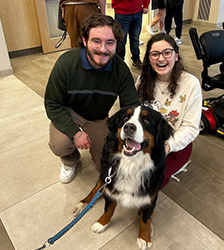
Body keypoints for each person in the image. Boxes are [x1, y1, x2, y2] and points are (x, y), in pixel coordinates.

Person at [44, 14, 140, 183]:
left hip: (98, 118)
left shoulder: (121, 70)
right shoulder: (66, 63)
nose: (103, 49)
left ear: (117, 44)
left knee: (108, 165)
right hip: (70, 112)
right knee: (60, 144)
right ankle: (70, 162)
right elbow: (52, 104)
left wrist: (131, 135)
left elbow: (131, 106)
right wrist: (75, 133)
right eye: (96, 41)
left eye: (110, 42)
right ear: (85, 40)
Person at [136, 33, 202, 187]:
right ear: (148, 58)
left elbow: (191, 127)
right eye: (155, 54)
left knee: (149, 182)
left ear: (176, 55)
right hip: (146, 141)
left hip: (174, 147)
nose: (161, 58)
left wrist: (167, 147)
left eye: (167, 52)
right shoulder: (142, 81)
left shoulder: (190, 84)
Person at [112, 0, 150, 70]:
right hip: (121, 13)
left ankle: (136, 59)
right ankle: (120, 61)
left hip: (137, 11)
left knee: (135, 38)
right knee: (121, 39)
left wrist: (146, 5)